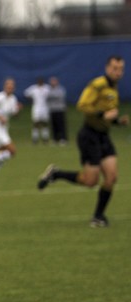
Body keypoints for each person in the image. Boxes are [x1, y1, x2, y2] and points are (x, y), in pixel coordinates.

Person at [38, 56, 128, 228]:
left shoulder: (113, 88)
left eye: (121, 69)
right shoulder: (98, 85)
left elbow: (108, 114)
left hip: (104, 136)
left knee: (111, 177)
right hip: (89, 136)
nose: (118, 72)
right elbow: (83, 105)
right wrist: (103, 114)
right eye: (115, 68)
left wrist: (117, 121)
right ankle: (55, 174)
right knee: (90, 181)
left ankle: (98, 216)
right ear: (107, 68)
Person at [24, 77, 51, 144]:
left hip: (45, 107)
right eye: (39, 81)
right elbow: (26, 93)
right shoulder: (34, 88)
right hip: (36, 107)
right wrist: (32, 99)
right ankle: (35, 139)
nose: (40, 82)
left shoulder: (47, 88)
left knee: (45, 123)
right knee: (36, 123)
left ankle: (45, 139)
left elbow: (51, 94)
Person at [47, 76, 68, 145]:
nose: (52, 83)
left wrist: (52, 96)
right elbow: (47, 96)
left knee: (61, 125)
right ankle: (55, 139)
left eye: (54, 81)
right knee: (54, 125)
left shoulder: (60, 89)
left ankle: (63, 138)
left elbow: (59, 96)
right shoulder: (49, 89)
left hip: (60, 109)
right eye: (51, 81)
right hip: (52, 110)